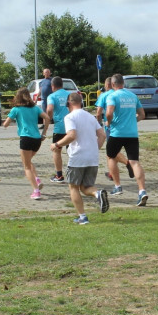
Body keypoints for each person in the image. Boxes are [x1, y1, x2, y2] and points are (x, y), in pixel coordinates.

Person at [51, 92, 108, 224]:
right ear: (81, 102)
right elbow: (102, 135)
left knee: (73, 188)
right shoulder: (91, 117)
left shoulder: (70, 117)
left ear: (68, 104)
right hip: (92, 158)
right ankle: (97, 193)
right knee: (86, 187)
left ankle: (82, 217)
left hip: (78, 157)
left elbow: (72, 135)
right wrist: (95, 149)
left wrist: (57, 144)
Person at [105, 73, 149, 206]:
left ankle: (117, 186)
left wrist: (109, 122)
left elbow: (109, 112)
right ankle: (142, 190)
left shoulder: (112, 96)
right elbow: (142, 115)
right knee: (134, 162)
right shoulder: (132, 96)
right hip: (132, 134)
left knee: (111, 157)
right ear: (123, 83)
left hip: (117, 133)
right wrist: (133, 120)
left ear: (113, 84)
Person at [3, 88, 46, 199]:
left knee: (26, 166)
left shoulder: (16, 109)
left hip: (26, 138)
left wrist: (8, 122)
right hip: (37, 139)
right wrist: (44, 133)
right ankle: (36, 179)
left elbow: (5, 124)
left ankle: (36, 191)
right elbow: (47, 117)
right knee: (28, 160)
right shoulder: (35, 108)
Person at [95, 77, 131, 189]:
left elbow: (98, 112)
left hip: (110, 125)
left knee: (111, 151)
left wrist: (98, 125)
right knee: (109, 151)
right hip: (124, 126)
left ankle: (128, 163)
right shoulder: (119, 93)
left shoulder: (104, 95)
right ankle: (112, 173)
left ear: (107, 85)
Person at [44, 76, 72, 183]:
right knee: (72, 151)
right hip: (71, 127)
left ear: (52, 86)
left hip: (59, 127)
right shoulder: (69, 95)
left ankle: (59, 175)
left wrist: (49, 118)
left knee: (57, 150)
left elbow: (50, 109)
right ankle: (73, 174)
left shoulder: (52, 96)